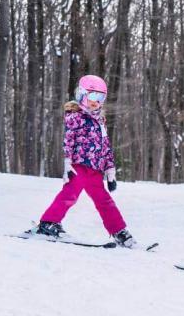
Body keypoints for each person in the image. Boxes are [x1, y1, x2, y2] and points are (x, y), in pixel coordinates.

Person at [31, 74, 138, 248]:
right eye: (92, 96)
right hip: (78, 166)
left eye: (100, 97)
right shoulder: (75, 117)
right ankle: (48, 223)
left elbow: (105, 146)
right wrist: (67, 162)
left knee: (104, 201)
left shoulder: (100, 121)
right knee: (70, 195)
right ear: (82, 94)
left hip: (95, 170)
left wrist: (110, 170)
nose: (96, 101)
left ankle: (119, 231)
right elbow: (69, 140)